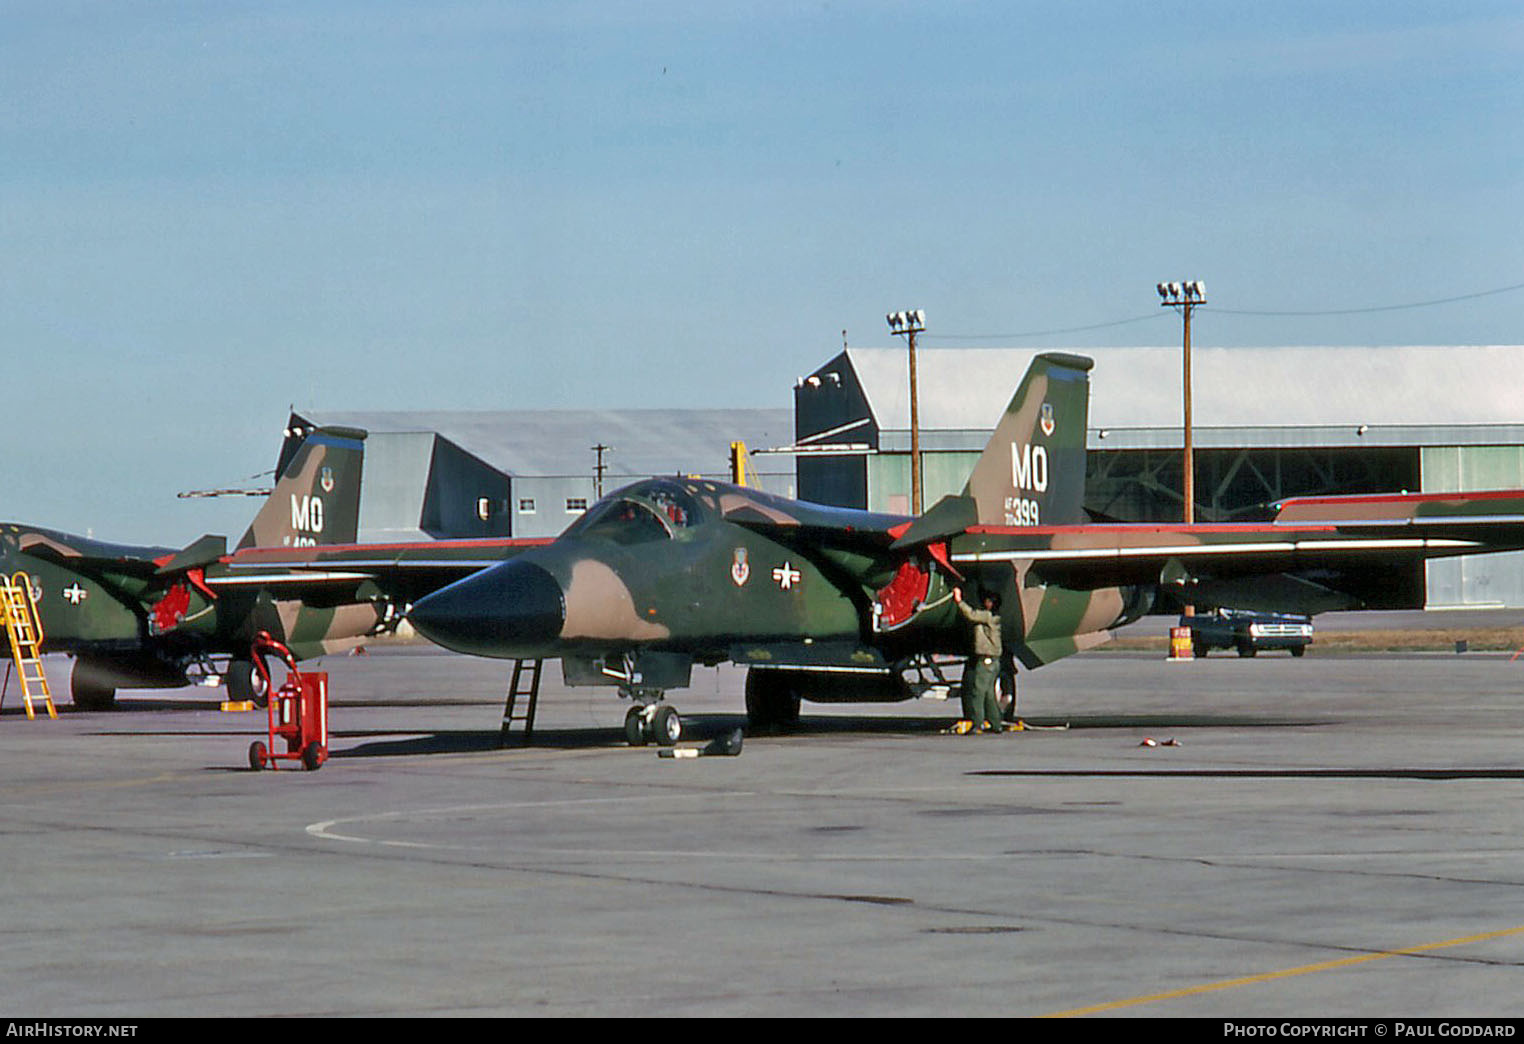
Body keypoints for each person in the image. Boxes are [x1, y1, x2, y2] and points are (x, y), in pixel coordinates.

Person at [952, 586, 1004, 733]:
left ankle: (977, 723)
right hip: (993, 660)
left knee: (978, 692)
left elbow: (971, 614)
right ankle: (996, 723)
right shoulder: (995, 617)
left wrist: (959, 600)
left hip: (986, 659)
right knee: (989, 694)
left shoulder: (987, 617)